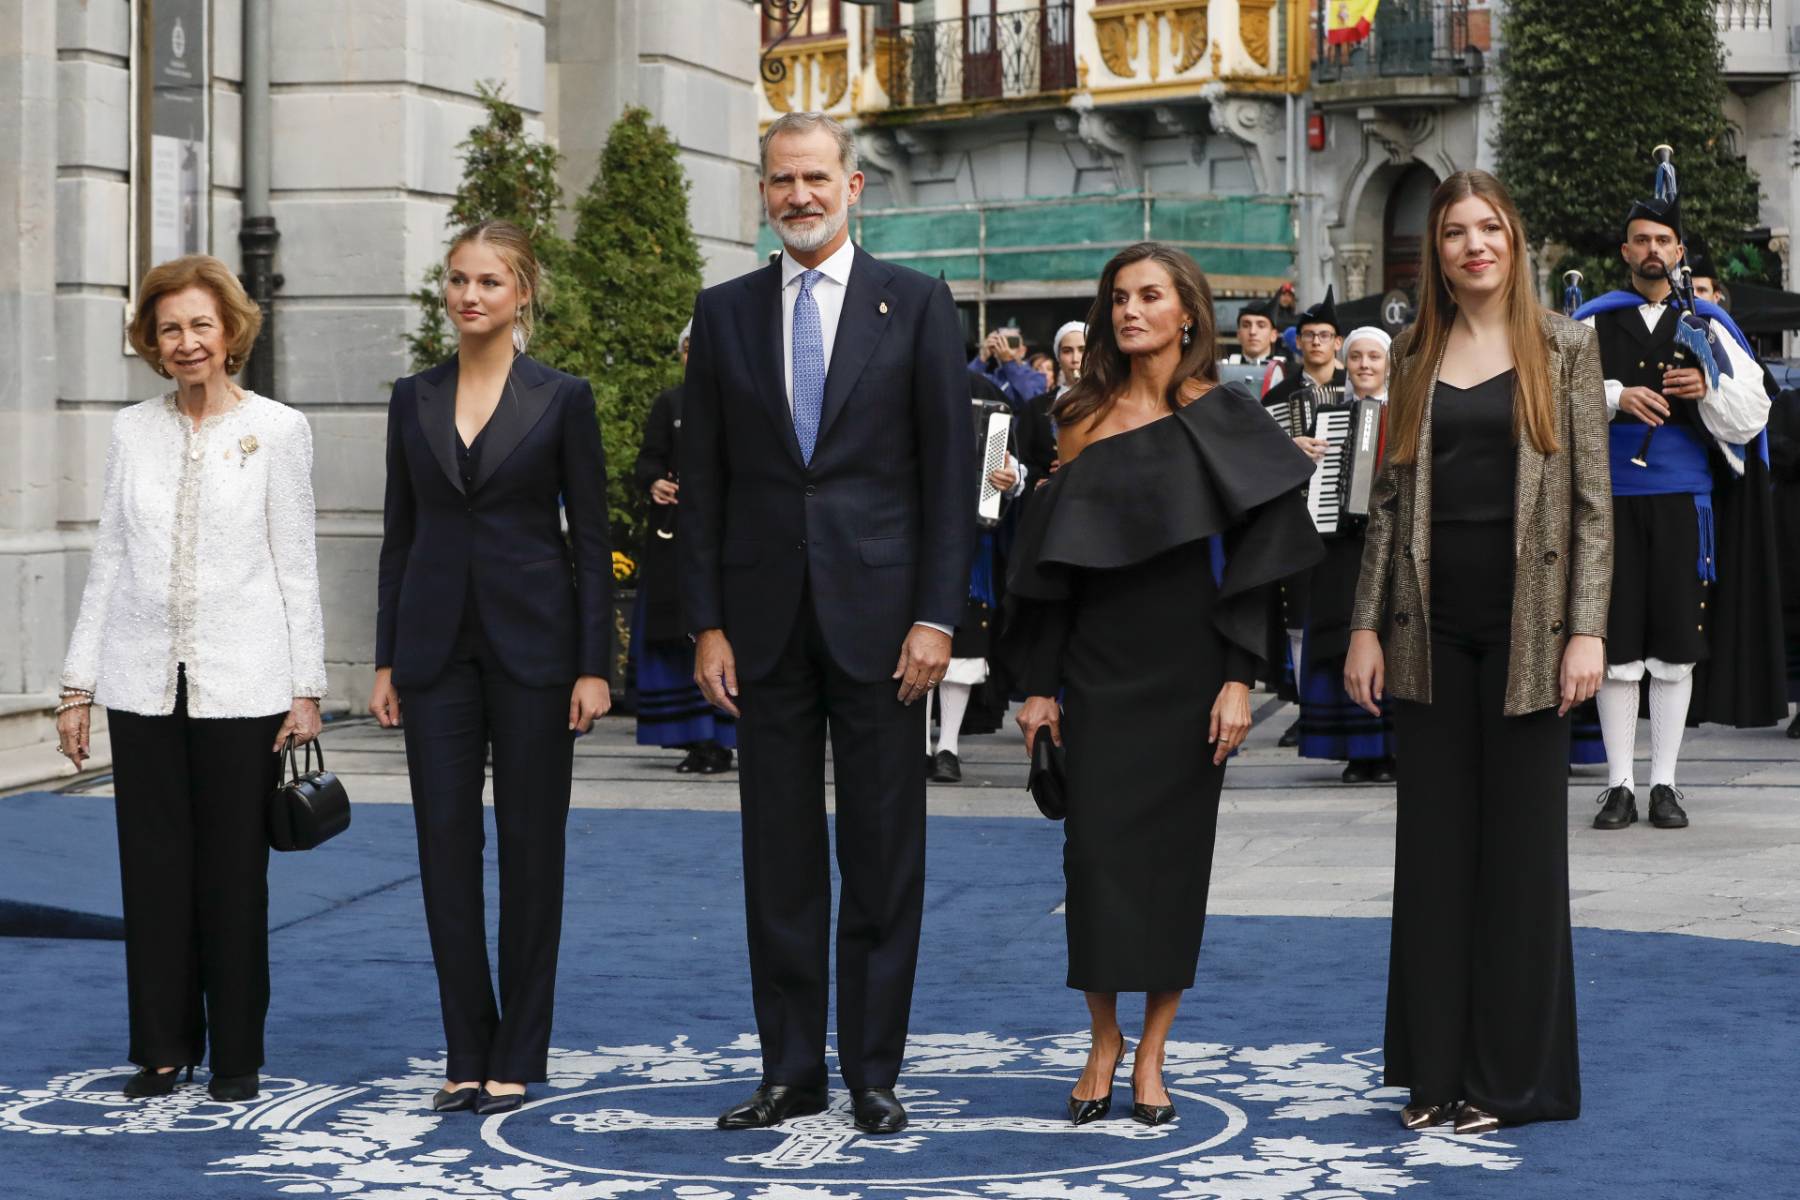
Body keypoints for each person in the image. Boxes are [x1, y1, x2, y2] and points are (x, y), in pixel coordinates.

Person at [681, 111, 974, 1137]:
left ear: (854, 187)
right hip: (761, 631)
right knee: (780, 859)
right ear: (762, 193)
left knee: (885, 854)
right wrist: (706, 624)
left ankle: (873, 1072)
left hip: (887, 625)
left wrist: (940, 614)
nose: (797, 195)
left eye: (815, 177)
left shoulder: (920, 304)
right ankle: (791, 1069)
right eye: (779, 180)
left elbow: (949, 478)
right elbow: (704, 488)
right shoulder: (722, 317)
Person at [1008, 242, 1321, 1129]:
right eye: (1118, 299)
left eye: (1150, 296)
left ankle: (1151, 1054)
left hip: (1192, 670)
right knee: (1096, 864)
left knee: (1173, 871)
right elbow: (1052, 570)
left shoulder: (1225, 414)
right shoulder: (1075, 417)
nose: (1131, 312)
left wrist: (1237, 680)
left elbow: (1262, 560)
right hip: (1097, 671)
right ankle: (1101, 1040)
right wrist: (1039, 689)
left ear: (1189, 312)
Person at [1346, 169, 1610, 1134]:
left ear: (1514, 240)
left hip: (1532, 634)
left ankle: (1511, 1082)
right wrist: (1364, 625)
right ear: (1436, 250)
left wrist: (1587, 627)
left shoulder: (1567, 349)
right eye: (1455, 231)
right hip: (1425, 633)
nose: (1473, 245)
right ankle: (1434, 1074)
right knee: (1435, 858)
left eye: (1489, 227)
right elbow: (1385, 506)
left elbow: (1590, 504)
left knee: (1521, 860)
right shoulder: (1415, 349)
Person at [55, 254, 325, 1104]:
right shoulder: (130, 430)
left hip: (243, 685)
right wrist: (77, 684)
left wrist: (306, 687)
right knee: (154, 875)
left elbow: (297, 567)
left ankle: (237, 1055)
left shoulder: (279, 431)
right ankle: (163, 1050)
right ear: (151, 340)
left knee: (234, 878)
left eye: (201, 325)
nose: (186, 342)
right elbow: (110, 558)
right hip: (141, 683)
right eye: (170, 328)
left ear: (231, 331)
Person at [369, 219, 613, 1117]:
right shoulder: (412, 397)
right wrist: (388, 655)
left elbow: (591, 538)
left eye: (490, 282)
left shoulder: (562, 398)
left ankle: (519, 1049)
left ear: (522, 296)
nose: (471, 295)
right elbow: (400, 536)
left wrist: (596, 665)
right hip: (433, 653)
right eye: (459, 280)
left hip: (539, 652)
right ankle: (465, 1048)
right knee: (443, 851)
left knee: (530, 848)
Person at [1575, 196, 1777, 831]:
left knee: (1675, 645)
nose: (1652, 250)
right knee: (1615, 645)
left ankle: (1663, 782)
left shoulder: (1709, 325)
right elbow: (1550, 401)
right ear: (1625, 252)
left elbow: (1754, 412)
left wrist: (1708, 386)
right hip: (1608, 506)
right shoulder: (1590, 325)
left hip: (1685, 507)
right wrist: (1613, 396)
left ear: (1679, 252)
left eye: (1663, 240)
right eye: (1641, 240)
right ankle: (1619, 785)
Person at [629, 322, 737, 773]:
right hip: (674, 543)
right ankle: (695, 740)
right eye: (688, 348)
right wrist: (653, 482)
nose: (694, 355)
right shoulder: (668, 403)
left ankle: (726, 737)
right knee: (678, 639)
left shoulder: (741, 400)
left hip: (730, 541)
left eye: (703, 347)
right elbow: (647, 460)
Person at [1297, 326, 1398, 783]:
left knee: (1391, 642)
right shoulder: (1328, 418)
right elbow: (1310, 490)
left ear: (1388, 365)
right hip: (1340, 546)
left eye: (1373, 358)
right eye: (1356, 357)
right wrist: (1304, 460)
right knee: (1339, 636)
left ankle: (1392, 746)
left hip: (1393, 546)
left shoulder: (1408, 415)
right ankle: (1356, 749)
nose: (1364, 365)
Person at [928, 373, 1026, 784]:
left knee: (965, 643)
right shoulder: (893, 376)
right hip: (906, 535)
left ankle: (947, 746)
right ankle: (915, 747)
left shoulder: (984, 391)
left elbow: (1014, 462)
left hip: (971, 543)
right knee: (905, 646)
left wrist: (1012, 478)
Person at [1262, 288, 1345, 743]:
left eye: (1325, 335)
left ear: (1338, 341)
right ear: (1298, 343)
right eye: (1309, 335)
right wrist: (1286, 448)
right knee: (1300, 613)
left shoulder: (1359, 382)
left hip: (1350, 520)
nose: (1316, 342)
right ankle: (1307, 703)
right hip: (1298, 516)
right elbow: (1256, 461)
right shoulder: (1279, 395)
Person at [970, 322, 1047, 406]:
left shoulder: (1037, 377)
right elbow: (965, 386)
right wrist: (982, 358)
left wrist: (1009, 362)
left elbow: (1032, 400)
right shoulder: (991, 378)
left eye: (1012, 343)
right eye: (1001, 343)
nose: (1006, 348)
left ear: (1023, 351)